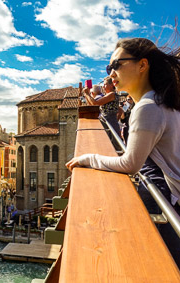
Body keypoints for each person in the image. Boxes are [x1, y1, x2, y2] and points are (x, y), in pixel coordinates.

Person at [66, 37, 180, 265]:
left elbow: (130, 164)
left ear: (142, 65)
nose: (110, 73)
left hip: (166, 197)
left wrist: (88, 158)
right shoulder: (163, 101)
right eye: (109, 68)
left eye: (116, 65)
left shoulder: (147, 107)